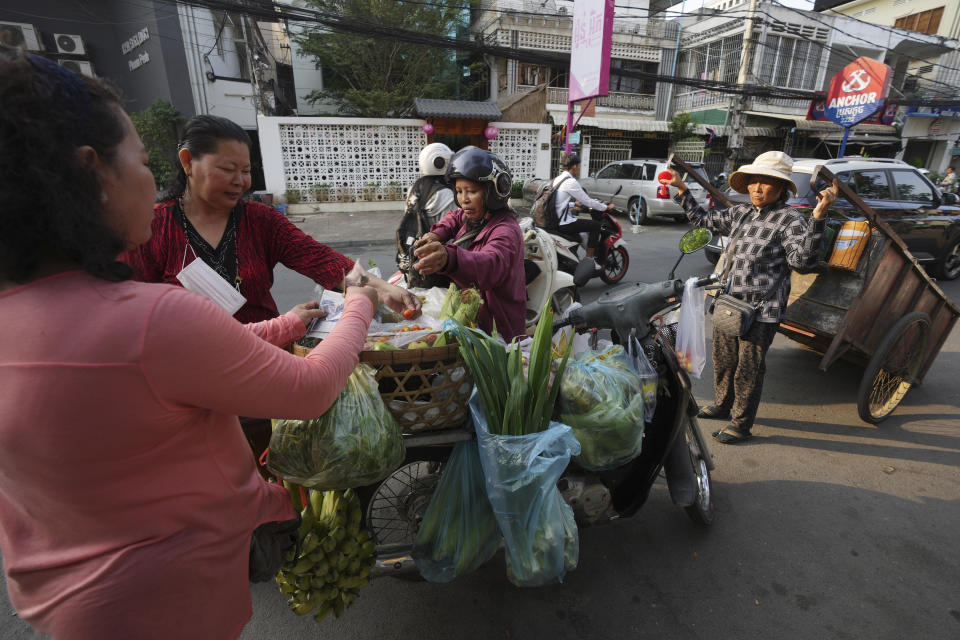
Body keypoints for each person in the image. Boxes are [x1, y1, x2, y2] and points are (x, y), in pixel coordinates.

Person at [0, 47, 380, 638]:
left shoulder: (20, 315)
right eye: (141, 158)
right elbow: (306, 390)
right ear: (90, 172)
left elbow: (159, 362)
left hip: (65, 603)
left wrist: (289, 323)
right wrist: (360, 306)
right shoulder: (151, 311)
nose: (149, 177)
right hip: (167, 596)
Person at [121, 114, 419, 460]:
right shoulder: (153, 228)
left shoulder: (259, 221)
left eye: (245, 171)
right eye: (227, 169)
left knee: (274, 465)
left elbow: (322, 260)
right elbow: (138, 320)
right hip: (195, 390)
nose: (240, 181)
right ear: (188, 162)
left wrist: (383, 289)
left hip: (262, 373)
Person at [666, 151, 838, 444]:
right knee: (724, 360)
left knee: (749, 370)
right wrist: (682, 190)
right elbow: (703, 220)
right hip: (729, 302)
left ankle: (741, 423)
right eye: (754, 181)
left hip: (761, 310)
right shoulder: (740, 212)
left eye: (767, 183)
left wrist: (818, 218)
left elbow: (803, 263)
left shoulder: (791, 220)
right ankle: (722, 405)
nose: (757, 188)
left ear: (782, 188)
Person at [410, 146, 527, 340]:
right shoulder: (474, 217)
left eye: (471, 191)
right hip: (474, 322)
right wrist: (437, 234)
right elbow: (454, 218)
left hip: (498, 331)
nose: (463, 200)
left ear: (493, 192)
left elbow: (490, 264)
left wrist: (450, 259)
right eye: (458, 191)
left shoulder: (506, 230)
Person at [395, 142, 456, 283]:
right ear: (440, 162)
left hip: (413, 253)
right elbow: (451, 234)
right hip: (436, 264)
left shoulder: (414, 188)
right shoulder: (446, 193)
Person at [553, 153, 615, 261]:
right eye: (579, 167)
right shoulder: (571, 181)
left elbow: (557, 202)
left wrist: (573, 204)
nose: (579, 169)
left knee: (582, 223)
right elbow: (588, 202)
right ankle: (590, 259)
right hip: (564, 223)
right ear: (575, 166)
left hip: (555, 220)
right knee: (596, 225)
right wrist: (606, 207)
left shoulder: (557, 179)